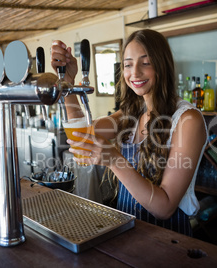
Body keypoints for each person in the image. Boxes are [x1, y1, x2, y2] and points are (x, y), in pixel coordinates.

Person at [50, 29, 207, 236]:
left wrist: (115, 160)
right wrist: (68, 82)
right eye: (128, 64)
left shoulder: (187, 119)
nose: (135, 73)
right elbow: (80, 137)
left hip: (168, 239)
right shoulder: (130, 113)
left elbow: (165, 207)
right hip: (127, 232)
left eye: (145, 62)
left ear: (162, 65)